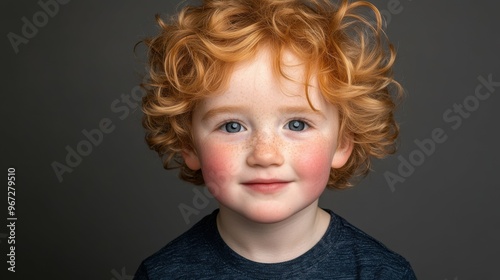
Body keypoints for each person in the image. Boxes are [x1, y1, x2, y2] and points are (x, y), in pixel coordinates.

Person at [134, 0, 416, 279]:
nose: (265, 155)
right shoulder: (162, 274)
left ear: (342, 143)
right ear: (189, 144)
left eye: (297, 124)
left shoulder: (381, 273)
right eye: (232, 126)